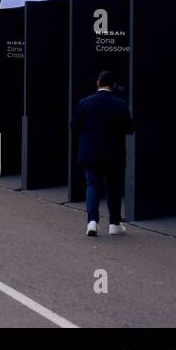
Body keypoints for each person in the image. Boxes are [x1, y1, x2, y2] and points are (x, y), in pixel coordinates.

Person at [71, 70, 134, 237]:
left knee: (92, 186)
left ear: (97, 83)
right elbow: (129, 129)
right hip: (114, 154)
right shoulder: (121, 104)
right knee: (113, 188)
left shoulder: (85, 103)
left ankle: (92, 222)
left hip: (91, 154)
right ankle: (114, 224)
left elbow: (74, 126)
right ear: (113, 85)